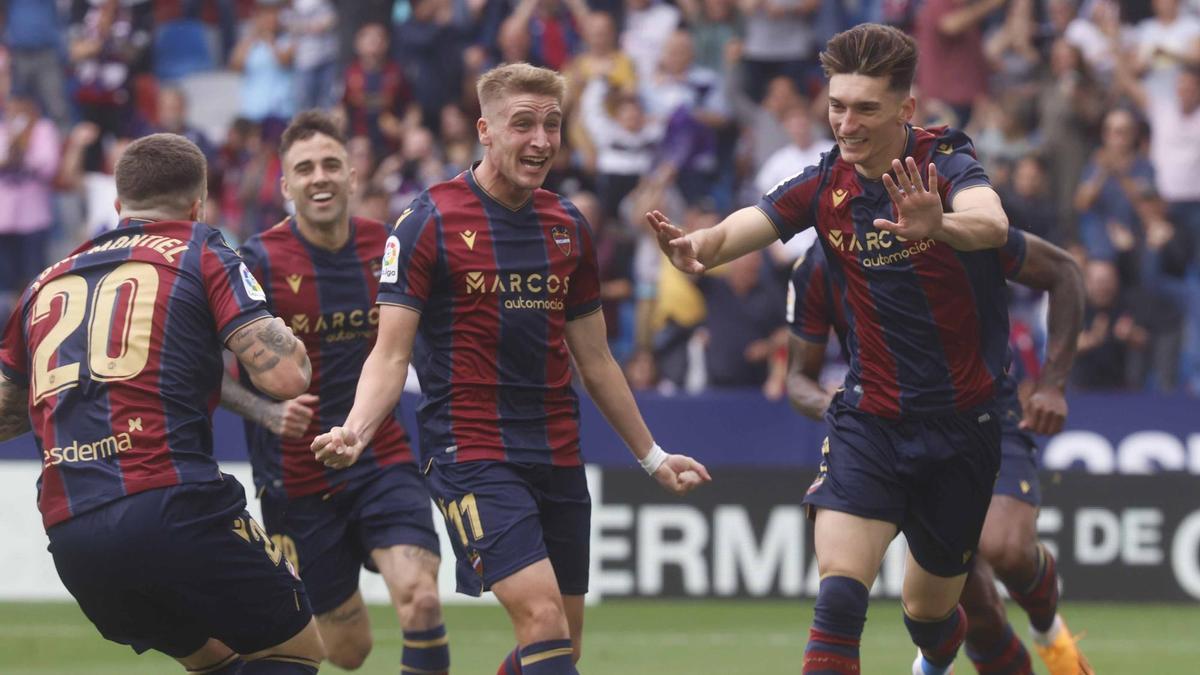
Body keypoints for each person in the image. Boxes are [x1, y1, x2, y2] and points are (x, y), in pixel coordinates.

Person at [312, 62, 711, 675]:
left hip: (555, 448)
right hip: (470, 449)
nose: (542, 141)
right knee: (543, 621)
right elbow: (389, 353)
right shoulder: (428, 221)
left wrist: (653, 457)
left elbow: (596, 358)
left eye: (552, 125)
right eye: (523, 124)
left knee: (560, 647)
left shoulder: (568, 225)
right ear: (485, 131)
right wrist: (356, 431)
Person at [649, 23, 1016, 674]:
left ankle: (939, 649)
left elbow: (992, 223)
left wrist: (942, 224)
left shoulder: (946, 161)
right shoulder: (825, 184)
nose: (846, 123)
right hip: (869, 420)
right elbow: (752, 224)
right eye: (837, 105)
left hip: (962, 429)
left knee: (928, 613)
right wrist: (699, 247)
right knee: (839, 595)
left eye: (866, 108)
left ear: (906, 109)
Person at [0, 133, 324, 673]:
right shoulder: (201, 248)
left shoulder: (44, 282)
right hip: (172, 502)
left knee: (215, 661)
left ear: (118, 205)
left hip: (72, 530)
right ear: (198, 204)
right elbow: (287, 376)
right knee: (294, 646)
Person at [785, 229, 1092, 675]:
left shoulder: (950, 222)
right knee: (978, 612)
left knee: (1006, 548)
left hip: (979, 413)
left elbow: (1063, 269)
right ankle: (936, 662)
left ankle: (1049, 631)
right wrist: (839, 405)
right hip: (879, 429)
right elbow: (799, 376)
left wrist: (1053, 384)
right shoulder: (817, 265)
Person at [220, 110, 449, 674]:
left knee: (420, 599)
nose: (318, 177)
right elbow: (200, 368)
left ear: (353, 175)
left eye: (330, 165)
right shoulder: (256, 262)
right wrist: (266, 411)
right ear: (286, 186)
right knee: (349, 653)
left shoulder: (390, 248)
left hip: (381, 457)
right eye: (304, 168)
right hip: (296, 482)